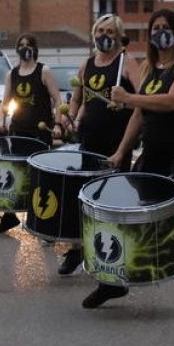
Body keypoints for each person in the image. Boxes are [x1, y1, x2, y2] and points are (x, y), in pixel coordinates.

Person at [105, 9, 174, 316]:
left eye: (166, 27)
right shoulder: (151, 68)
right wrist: (121, 151)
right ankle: (116, 278)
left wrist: (129, 98)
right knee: (131, 211)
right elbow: (139, 115)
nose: (160, 32)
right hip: (155, 152)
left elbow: (172, 101)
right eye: (155, 28)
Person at [58, 14, 139, 275]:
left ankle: (113, 254)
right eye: (101, 31)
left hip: (117, 141)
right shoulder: (87, 64)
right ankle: (76, 248)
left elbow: (143, 99)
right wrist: (70, 119)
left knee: (113, 199)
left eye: (110, 32)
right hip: (89, 139)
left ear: (119, 36)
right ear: (94, 34)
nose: (105, 36)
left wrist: (125, 101)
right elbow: (79, 100)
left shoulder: (127, 62)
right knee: (83, 195)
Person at [0, 33, 62, 234]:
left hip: (39, 134)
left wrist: (58, 124)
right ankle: (9, 216)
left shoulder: (44, 71)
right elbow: (4, 103)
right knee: (15, 175)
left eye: (29, 44)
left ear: (35, 49)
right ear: (17, 49)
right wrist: (1, 121)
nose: (25, 48)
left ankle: (44, 220)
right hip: (17, 131)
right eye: (21, 45)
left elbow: (58, 100)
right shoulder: (12, 74)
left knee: (39, 178)